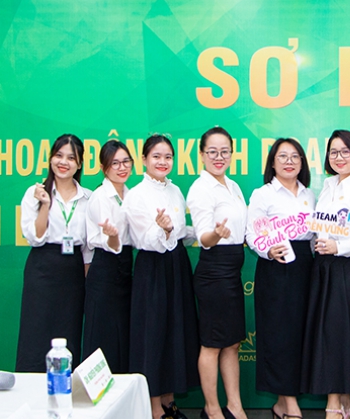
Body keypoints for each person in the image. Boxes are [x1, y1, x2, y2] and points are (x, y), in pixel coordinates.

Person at [301, 130, 350, 419]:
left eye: (346, 151)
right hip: (323, 269)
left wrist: (340, 247)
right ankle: (346, 403)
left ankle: (333, 406)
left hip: (348, 270)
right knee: (330, 336)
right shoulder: (327, 187)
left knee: (336, 337)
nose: (339, 157)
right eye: (334, 152)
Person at [123, 134, 199, 419]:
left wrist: (202, 231)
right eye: (156, 156)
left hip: (177, 264)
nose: (162, 162)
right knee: (153, 334)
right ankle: (154, 406)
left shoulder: (176, 190)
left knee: (176, 332)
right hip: (152, 268)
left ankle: (169, 400)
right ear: (144, 159)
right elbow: (144, 239)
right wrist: (163, 229)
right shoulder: (136, 195)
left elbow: (181, 232)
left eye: (168, 157)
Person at [245, 139, 315, 419]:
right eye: (282, 156)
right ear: (272, 163)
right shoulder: (263, 195)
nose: (289, 161)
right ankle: (289, 403)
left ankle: (282, 404)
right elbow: (252, 234)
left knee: (301, 336)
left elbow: (314, 234)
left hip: (307, 267)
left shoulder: (310, 195)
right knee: (279, 336)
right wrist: (268, 250)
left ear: (302, 163)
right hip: (277, 266)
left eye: (295, 156)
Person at [187, 127, 248, 419]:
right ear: (202, 155)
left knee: (232, 342)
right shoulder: (201, 189)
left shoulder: (233, 186)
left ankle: (235, 406)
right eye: (212, 151)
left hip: (233, 272)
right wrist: (216, 234)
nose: (218, 157)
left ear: (232, 154)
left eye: (224, 151)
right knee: (212, 344)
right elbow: (203, 237)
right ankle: (212, 409)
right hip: (214, 271)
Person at [16, 133, 91, 372]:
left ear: (79, 164)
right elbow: (35, 237)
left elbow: (88, 248)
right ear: (50, 159)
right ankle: (31, 384)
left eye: (71, 158)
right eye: (59, 155)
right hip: (42, 268)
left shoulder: (88, 198)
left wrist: (87, 281)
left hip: (73, 271)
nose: (63, 162)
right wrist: (46, 204)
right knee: (35, 332)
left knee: (69, 332)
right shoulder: (35, 193)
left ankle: (65, 385)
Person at [83, 140, 134, 373]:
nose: (122, 168)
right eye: (115, 163)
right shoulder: (100, 196)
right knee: (103, 336)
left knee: (123, 334)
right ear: (104, 168)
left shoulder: (131, 195)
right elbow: (109, 243)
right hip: (105, 267)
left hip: (125, 267)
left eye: (126, 162)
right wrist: (113, 237)